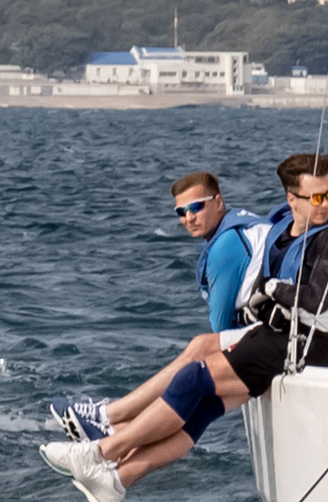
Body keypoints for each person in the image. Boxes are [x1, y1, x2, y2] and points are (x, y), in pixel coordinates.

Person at [41, 154, 328, 502]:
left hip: (309, 344)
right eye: (316, 197)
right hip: (280, 334)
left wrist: (273, 291)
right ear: (291, 200)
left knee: (194, 380)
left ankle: (99, 451)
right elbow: (271, 283)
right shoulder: (284, 227)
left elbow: (316, 300)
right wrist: (263, 298)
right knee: (203, 408)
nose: (325, 205)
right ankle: (117, 481)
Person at [50, 170, 267, 442]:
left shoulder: (226, 245)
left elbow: (220, 329)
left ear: (219, 202)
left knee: (200, 354)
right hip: (273, 329)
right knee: (203, 389)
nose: (188, 218)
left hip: (277, 339)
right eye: (181, 212)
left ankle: (107, 417)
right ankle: (112, 431)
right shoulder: (243, 225)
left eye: (196, 207)